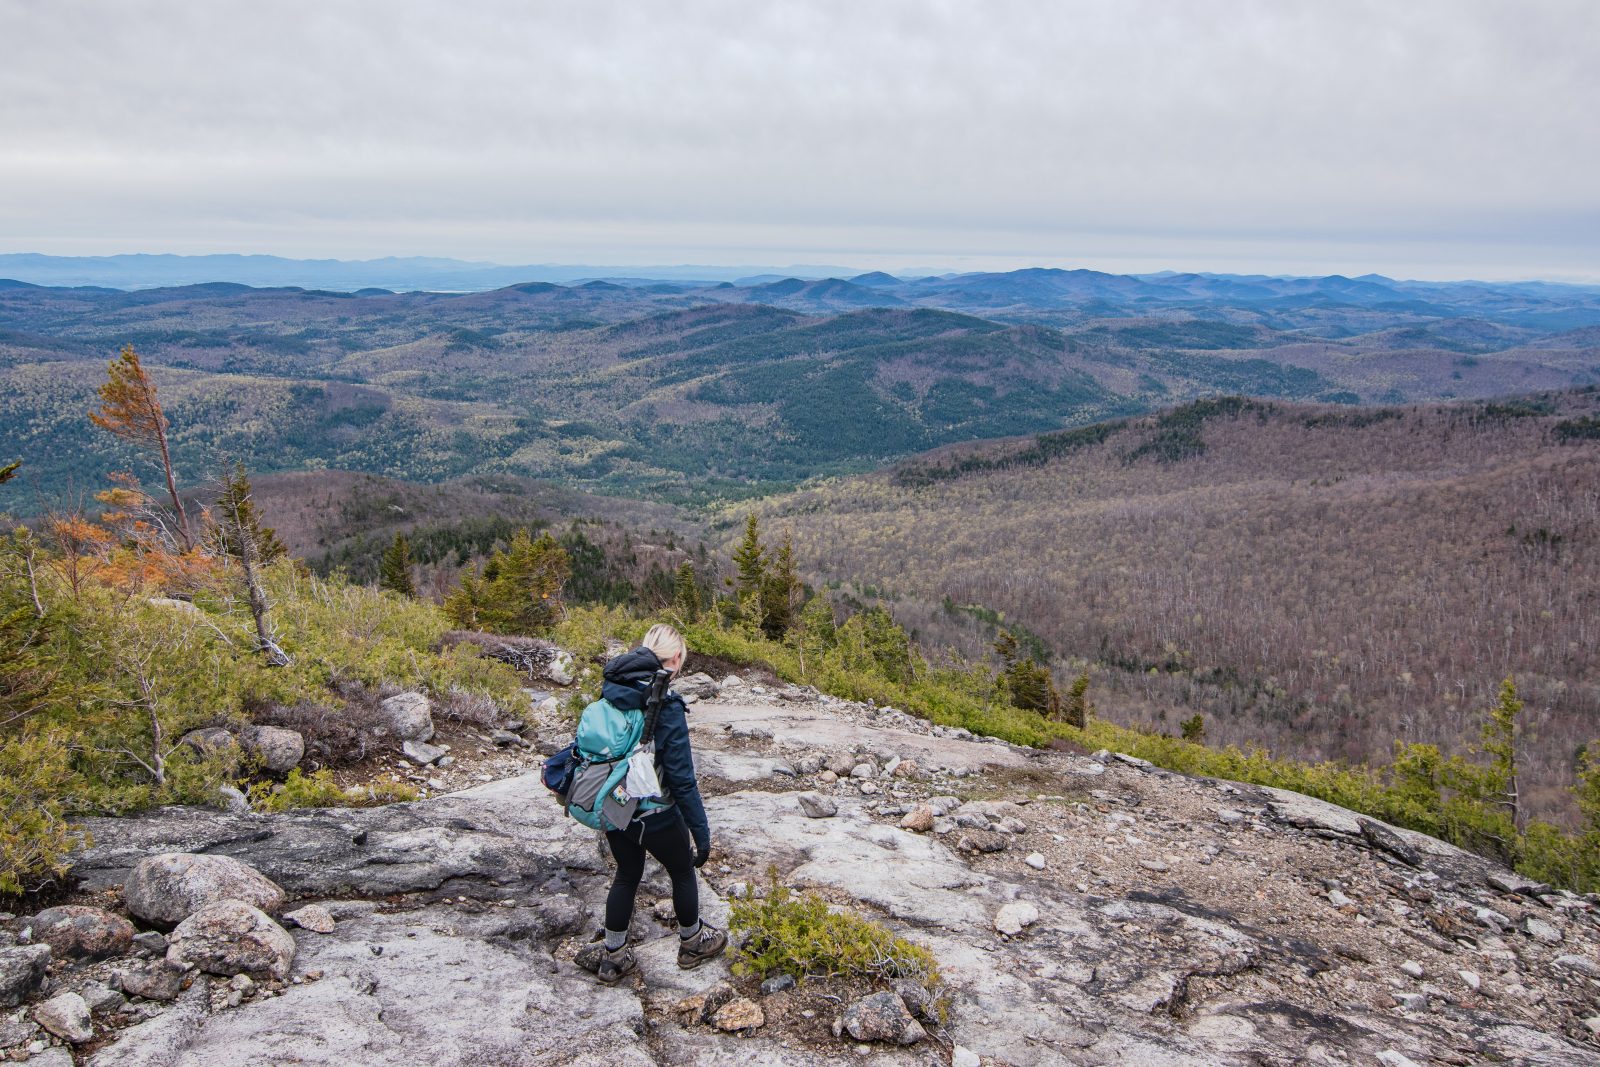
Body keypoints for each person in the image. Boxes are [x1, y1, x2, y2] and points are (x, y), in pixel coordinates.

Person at [579, 623, 724, 984]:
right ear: (676, 659)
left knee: (626, 874)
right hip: (656, 811)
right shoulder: (666, 704)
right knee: (682, 870)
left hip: (616, 805)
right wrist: (701, 833)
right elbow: (681, 777)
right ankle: (692, 941)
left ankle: (613, 956)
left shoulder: (613, 690)